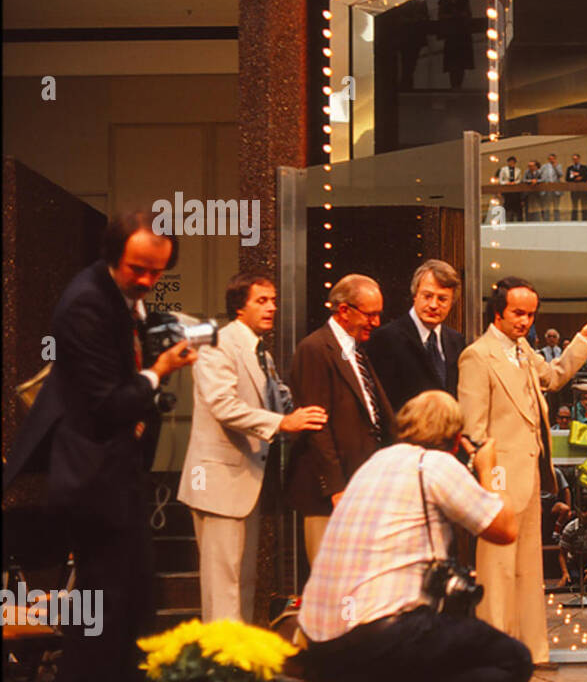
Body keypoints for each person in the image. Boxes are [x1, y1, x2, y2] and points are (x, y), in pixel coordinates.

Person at [3, 211, 198, 682]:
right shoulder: (85, 302)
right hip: (91, 482)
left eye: (157, 272)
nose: (146, 280)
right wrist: (160, 369)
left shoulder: (123, 298)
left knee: (134, 607)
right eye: (139, 269)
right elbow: (107, 405)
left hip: (116, 475)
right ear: (114, 253)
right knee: (102, 615)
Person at [298, 390, 528, 682]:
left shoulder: (375, 463)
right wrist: (487, 468)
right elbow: (504, 529)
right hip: (378, 636)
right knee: (512, 660)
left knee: (448, 627)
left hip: (322, 646)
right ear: (455, 439)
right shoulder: (436, 465)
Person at [457, 276, 587, 664]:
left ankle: (530, 650)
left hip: (531, 474)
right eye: (518, 313)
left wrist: (583, 341)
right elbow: (473, 429)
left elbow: (553, 377)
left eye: (531, 314)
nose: (524, 321)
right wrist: (488, 481)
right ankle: (494, 651)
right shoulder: (477, 355)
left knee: (526, 566)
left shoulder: (522, 350)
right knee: (497, 567)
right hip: (499, 475)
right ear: (498, 311)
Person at [180, 272, 328, 623]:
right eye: (261, 301)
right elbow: (223, 406)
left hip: (248, 481)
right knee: (224, 588)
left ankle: (238, 667)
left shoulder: (260, 352)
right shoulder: (217, 343)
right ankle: (221, 669)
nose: (272, 308)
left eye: (274, 300)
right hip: (219, 484)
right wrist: (282, 423)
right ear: (238, 307)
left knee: (243, 583)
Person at [287, 274, 396, 566]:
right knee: (333, 580)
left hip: (361, 484)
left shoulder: (357, 350)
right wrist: (336, 488)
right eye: (370, 315)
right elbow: (316, 424)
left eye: (378, 315)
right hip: (331, 495)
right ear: (344, 310)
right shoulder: (315, 349)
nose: (375, 323)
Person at [365, 259, 466, 412]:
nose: (433, 305)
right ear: (415, 295)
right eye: (427, 296)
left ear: (452, 303)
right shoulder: (386, 339)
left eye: (442, 299)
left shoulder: (457, 341)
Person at [436, 0, 474, 89]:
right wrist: (456, 15)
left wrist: (454, 15)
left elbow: (468, 14)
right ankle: (454, 85)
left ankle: (458, 85)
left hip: (461, 34)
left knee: (460, 62)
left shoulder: (464, 1)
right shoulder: (444, 2)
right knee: (452, 62)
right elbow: (441, 15)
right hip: (452, 35)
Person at [558, 500, 587, 588]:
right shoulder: (570, 528)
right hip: (574, 560)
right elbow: (562, 554)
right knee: (574, 579)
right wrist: (565, 573)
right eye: (584, 511)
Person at [566, 153, 587, 221]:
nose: (575, 160)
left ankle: (585, 219)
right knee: (574, 206)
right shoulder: (570, 168)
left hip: (583, 190)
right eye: (573, 159)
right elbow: (567, 179)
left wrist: (581, 177)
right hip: (574, 189)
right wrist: (574, 178)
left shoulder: (584, 167)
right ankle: (574, 220)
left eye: (576, 159)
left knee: (584, 205)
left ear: (579, 159)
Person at [539, 153, 564, 221]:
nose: (551, 160)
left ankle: (557, 220)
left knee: (556, 206)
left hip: (556, 189)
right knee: (546, 206)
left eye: (553, 159)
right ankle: (546, 220)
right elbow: (539, 174)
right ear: (548, 160)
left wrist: (555, 167)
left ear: (555, 159)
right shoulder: (544, 166)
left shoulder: (558, 166)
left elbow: (560, 174)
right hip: (547, 189)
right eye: (550, 159)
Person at [497, 156, 523, 221]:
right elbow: (500, 180)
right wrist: (506, 183)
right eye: (510, 162)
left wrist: (515, 183)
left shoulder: (518, 170)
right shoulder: (503, 169)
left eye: (513, 162)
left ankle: (518, 220)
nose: (511, 163)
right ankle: (508, 220)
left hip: (515, 191)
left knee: (517, 206)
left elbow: (519, 180)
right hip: (507, 191)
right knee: (508, 206)